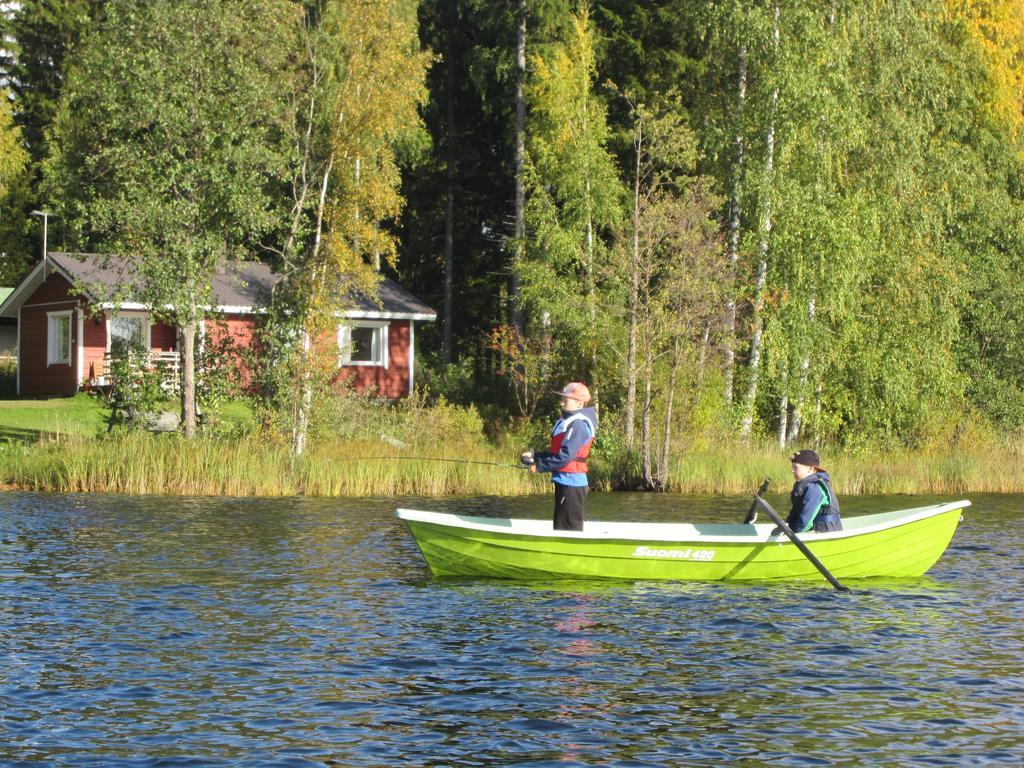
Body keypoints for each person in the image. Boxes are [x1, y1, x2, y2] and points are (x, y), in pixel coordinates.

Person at [520, 382, 597, 531]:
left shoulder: (579, 425)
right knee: (561, 526)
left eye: (566, 400)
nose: (562, 403)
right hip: (565, 481)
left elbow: (565, 457)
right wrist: (535, 455)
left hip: (572, 484)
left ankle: (571, 553)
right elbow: (557, 453)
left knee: (568, 529)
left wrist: (539, 467)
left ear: (579, 404)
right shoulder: (567, 423)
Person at [780, 449, 842, 534]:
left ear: (810, 469)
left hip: (825, 532)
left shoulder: (815, 487)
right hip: (813, 530)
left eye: (796, 467)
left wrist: (797, 533)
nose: (792, 470)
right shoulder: (804, 485)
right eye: (792, 467)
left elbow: (806, 520)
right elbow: (795, 513)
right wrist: (787, 528)